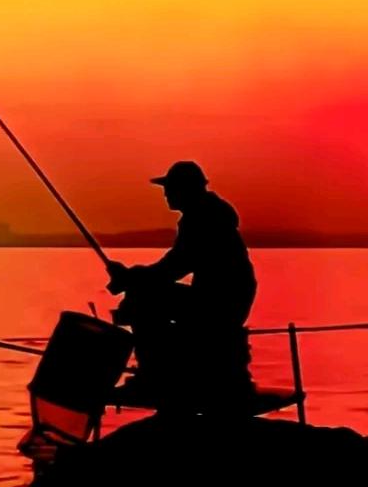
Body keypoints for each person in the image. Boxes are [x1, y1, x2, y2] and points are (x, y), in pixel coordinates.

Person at [105, 160, 257, 410]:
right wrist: (134, 276)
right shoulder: (206, 214)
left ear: (185, 189)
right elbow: (173, 265)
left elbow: (174, 267)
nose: (165, 194)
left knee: (141, 298)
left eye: (170, 188)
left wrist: (132, 277)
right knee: (142, 292)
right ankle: (160, 370)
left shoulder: (203, 218)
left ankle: (151, 376)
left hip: (221, 304)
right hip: (222, 300)